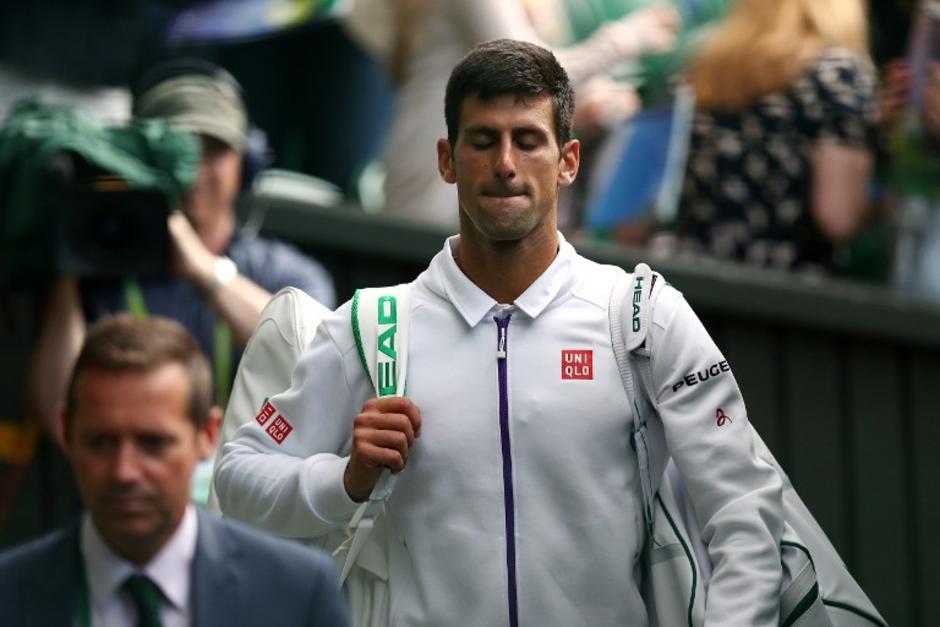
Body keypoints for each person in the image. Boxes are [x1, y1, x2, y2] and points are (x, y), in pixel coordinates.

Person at [216, 39, 784, 625]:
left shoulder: (641, 316)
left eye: (528, 140)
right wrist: (345, 480)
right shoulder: (372, 326)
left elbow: (746, 508)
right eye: (484, 140)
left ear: (568, 161)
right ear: (447, 160)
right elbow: (237, 477)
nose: (506, 163)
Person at [27, 59, 336, 443]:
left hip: (250, 475)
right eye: (176, 151)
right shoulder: (99, 269)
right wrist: (69, 260)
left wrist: (205, 270)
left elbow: (320, 362)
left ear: (246, 164)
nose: (194, 169)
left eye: (213, 150)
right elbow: (60, 412)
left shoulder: (287, 274)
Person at [0, 314, 348, 626]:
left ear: (207, 436)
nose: (124, 472)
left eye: (153, 444)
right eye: (101, 443)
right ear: (66, 433)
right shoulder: (9, 594)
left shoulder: (295, 594)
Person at [343, 0, 678, 227]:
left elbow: (513, 97)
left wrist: (586, 108)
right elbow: (529, 68)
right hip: (437, 189)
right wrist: (628, 38)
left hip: (462, 183)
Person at [671, 0, 877, 272]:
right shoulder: (838, 74)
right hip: (784, 286)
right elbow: (837, 218)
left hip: (691, 278)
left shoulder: (702, 64)